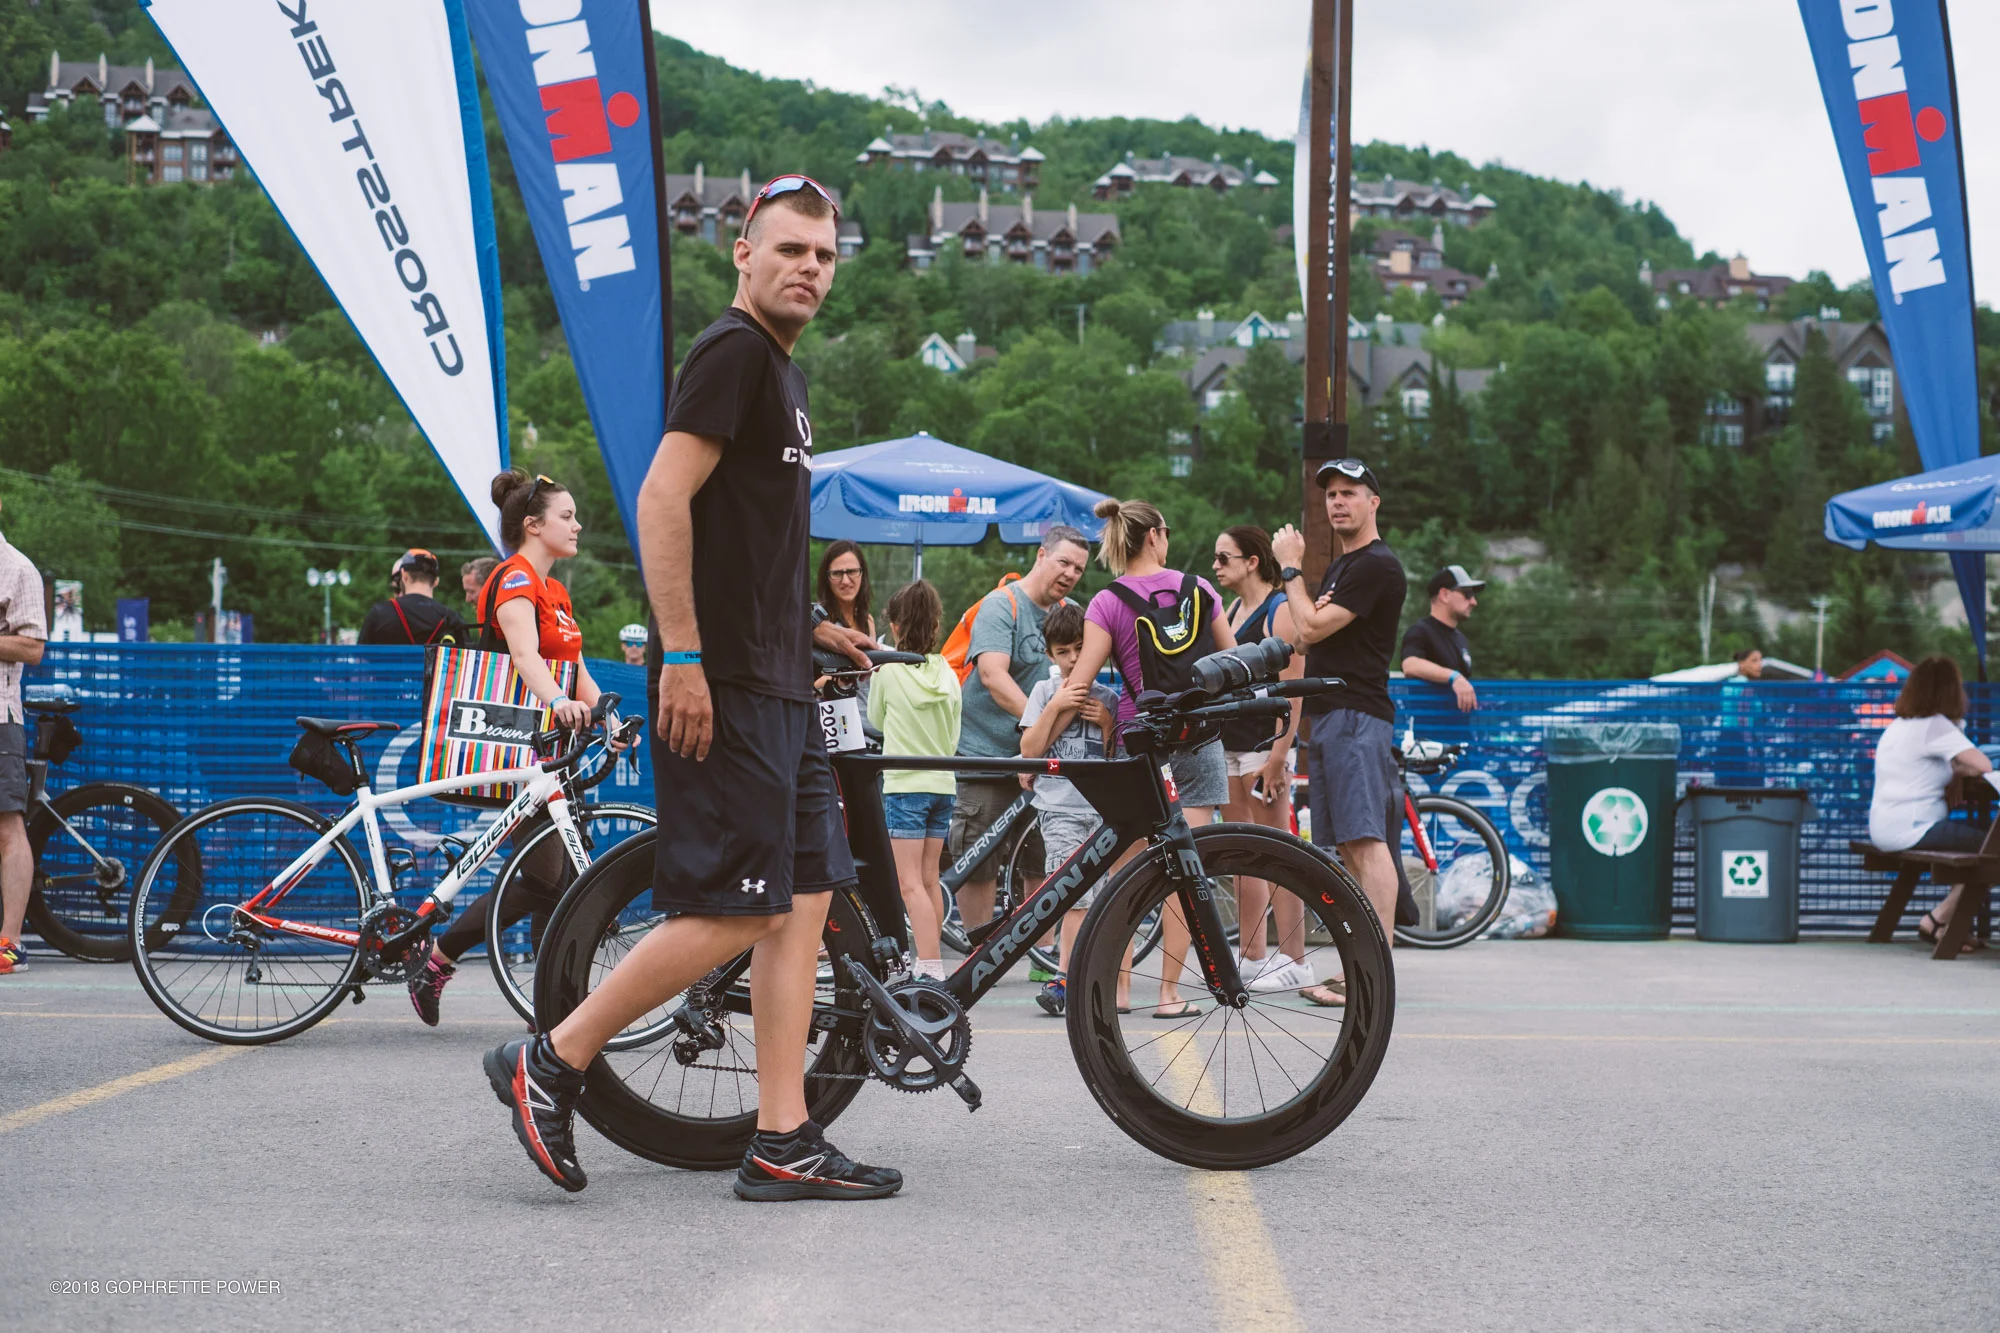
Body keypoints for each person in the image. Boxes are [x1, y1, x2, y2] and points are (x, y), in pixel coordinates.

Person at [483, 174, 903, 1201]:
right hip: (723, 682)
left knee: (802, 905)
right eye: (790, 249)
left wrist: (810, 625)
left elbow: (744, 538)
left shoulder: (782, 373)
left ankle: (782, 1136)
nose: (809, 268)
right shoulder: (733, 351)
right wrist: (680, 656)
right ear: (743, 254)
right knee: (737, 908)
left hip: (780, 678)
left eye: (824, 255)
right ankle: (552, 1059)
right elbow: (661, 497)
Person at [406, 471, 626, 1022]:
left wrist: (608, 718)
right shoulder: (514, 579)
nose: (578, 525)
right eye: (566, 516)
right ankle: (445, 962)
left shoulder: (555, 590)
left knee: (558, 880)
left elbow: (574, 666)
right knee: (548, 879)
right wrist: (559, 702)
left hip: (553, 750)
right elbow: (526, 656)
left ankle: (550, 1007)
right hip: (519, 743)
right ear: (533, 525)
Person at [1067, 497, 1238, 1018]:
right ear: (1155, 535)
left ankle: (1119, 991)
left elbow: (1080, 682)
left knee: (1126, 872)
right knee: (1187, 870)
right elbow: (1232, 661)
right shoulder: (1200, 589)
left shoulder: (1107, 601)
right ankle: (1169, 994)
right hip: (1199, 737)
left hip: (1139, 740)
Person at [1273, 459, 1408, 1008]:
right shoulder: (1344, 567)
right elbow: (1308, 638)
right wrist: (1310, 604)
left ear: (1374, 502)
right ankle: (1362, 967)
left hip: (1356, 715)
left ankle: (1374, 974)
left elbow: (1306, 625)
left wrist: (1290, 568)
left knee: (1366, 842)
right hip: (1332, 716)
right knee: (1350, 846)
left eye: (1349, 492)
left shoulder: (1376, 565)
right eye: (1330, 493)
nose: (1337, 502)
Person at [948, 525, 1090, 934]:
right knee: (978, 860)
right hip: (986, 757)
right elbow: (993, 676)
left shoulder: (1072, 611)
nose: (1070, 573)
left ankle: (1038, 952)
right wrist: (1040, 722)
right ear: (1041, 555)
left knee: (1043, 860)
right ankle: (979, 952)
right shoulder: (1001, 604)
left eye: (1079, 568)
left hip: (1046, 762)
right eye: (1064, 562)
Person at [1211, 525, 1314, 993]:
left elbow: (1293, 689)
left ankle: (1295, 959)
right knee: (1241, 853)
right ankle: (1251, 956)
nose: (1216, 566)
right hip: (1230, 744)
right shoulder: (1232, 610)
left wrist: (1279, 754)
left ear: (1253, 561)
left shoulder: (1279, 609)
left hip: (1264, 746)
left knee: (1277, 852)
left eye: (1224, 557)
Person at [1017, 601, 1121, 1016]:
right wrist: (1057, 706)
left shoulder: (1108, 698)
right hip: (1059, 808)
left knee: (1095, 899)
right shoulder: (1044, 692)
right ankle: (1064, 979)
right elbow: (1029, 749)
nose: (1074, 659)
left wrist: (1107, 724)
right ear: (1050, 655)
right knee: (1074, 896)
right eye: (1063, 652)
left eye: (1080, 648)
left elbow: (1114, 759)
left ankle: (1080, 976)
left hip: (1100, 812)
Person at [866, 580, 961, 980]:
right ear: (936, 624)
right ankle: (932, 961)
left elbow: (875, 720)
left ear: (894, 625)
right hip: (943, 784)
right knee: (929, 879)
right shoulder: (948, 672)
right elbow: (954, 735)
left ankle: (931, 967)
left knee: (909, 885)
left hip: (905, 785)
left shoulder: (888, 672)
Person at [1867, 654, 1992, 953]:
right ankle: (1938, 920)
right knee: (1993, 850)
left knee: (1984, 846)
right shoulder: (1936, 726)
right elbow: (1984, 764)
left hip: (1886, 827)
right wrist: (1960, 769)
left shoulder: (1899, 726)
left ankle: (1955, 927)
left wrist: (1955, 772)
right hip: (1915, 827)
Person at [0, 501, 48, 976]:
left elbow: (33, 647)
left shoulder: (16, 568)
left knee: (6, 826)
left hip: (0, 717)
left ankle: (10, 944)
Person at [1401, 565, 1483, 714]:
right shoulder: (1420, 631)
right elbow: (1410, 665)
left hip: (1459, 728)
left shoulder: (1461, 639)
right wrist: (1454, 677)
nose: (1473, 602)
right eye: (1467, 594)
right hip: (1429, 727)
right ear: (1444, 595)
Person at [359, 548, 468, 646]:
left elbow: (360, 657)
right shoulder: (452, 619)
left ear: (404, 575)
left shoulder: (379, 614)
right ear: (436, 582)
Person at [817, 540, 876, 640]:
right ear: (826, 579)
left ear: (863, 575)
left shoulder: (868, 621)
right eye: (837, 573)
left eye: (852, 571)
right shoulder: (818, 622)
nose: (845, 581)